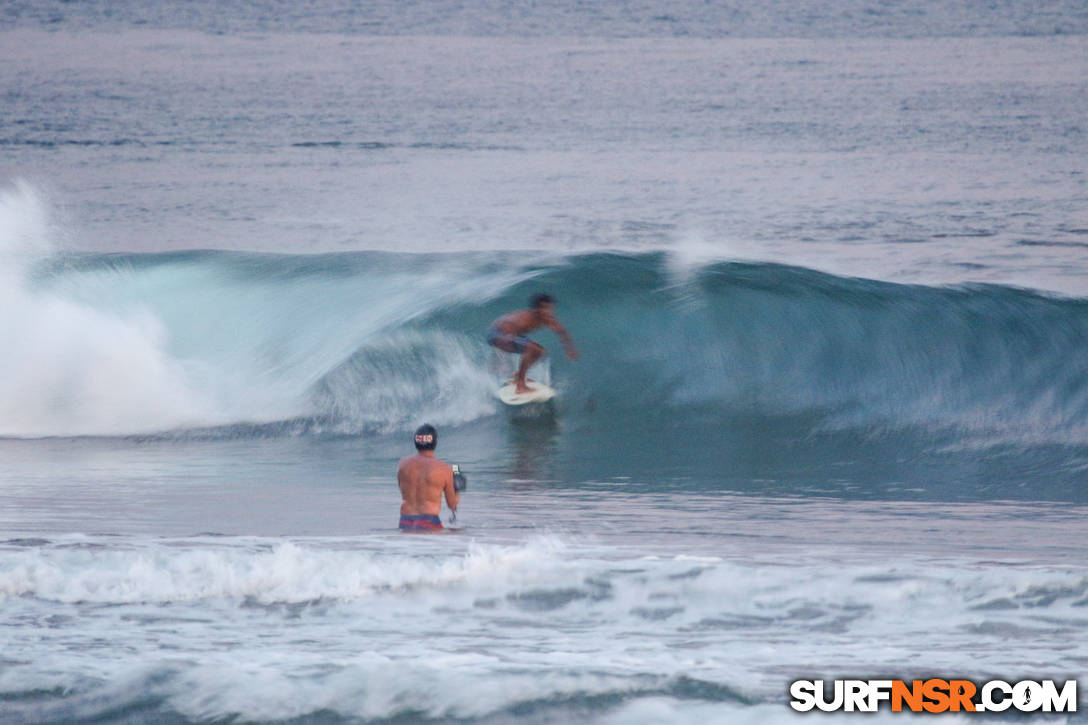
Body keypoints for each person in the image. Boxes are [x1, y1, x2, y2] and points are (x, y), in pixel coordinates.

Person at [487, 293, 578, 394]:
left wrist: (570, 350)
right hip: (497, 334)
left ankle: (518, 376)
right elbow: (505, 338)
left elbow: (562, 332)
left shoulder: (547, 318)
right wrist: (501, 359)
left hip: (513, 335)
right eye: (544, 308)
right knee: (531, 348)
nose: (548, 312)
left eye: (550, 309)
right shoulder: (523, 319)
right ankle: (520, 385)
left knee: (540, 352)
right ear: (536, 309)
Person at [397, 424, 460, 531]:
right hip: (429, 522)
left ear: (416, 441)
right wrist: (457, 477)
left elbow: (402, 487)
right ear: (435, 442)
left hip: (405, 521)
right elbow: (452, 504)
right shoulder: (446, 469)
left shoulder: (402, 464)